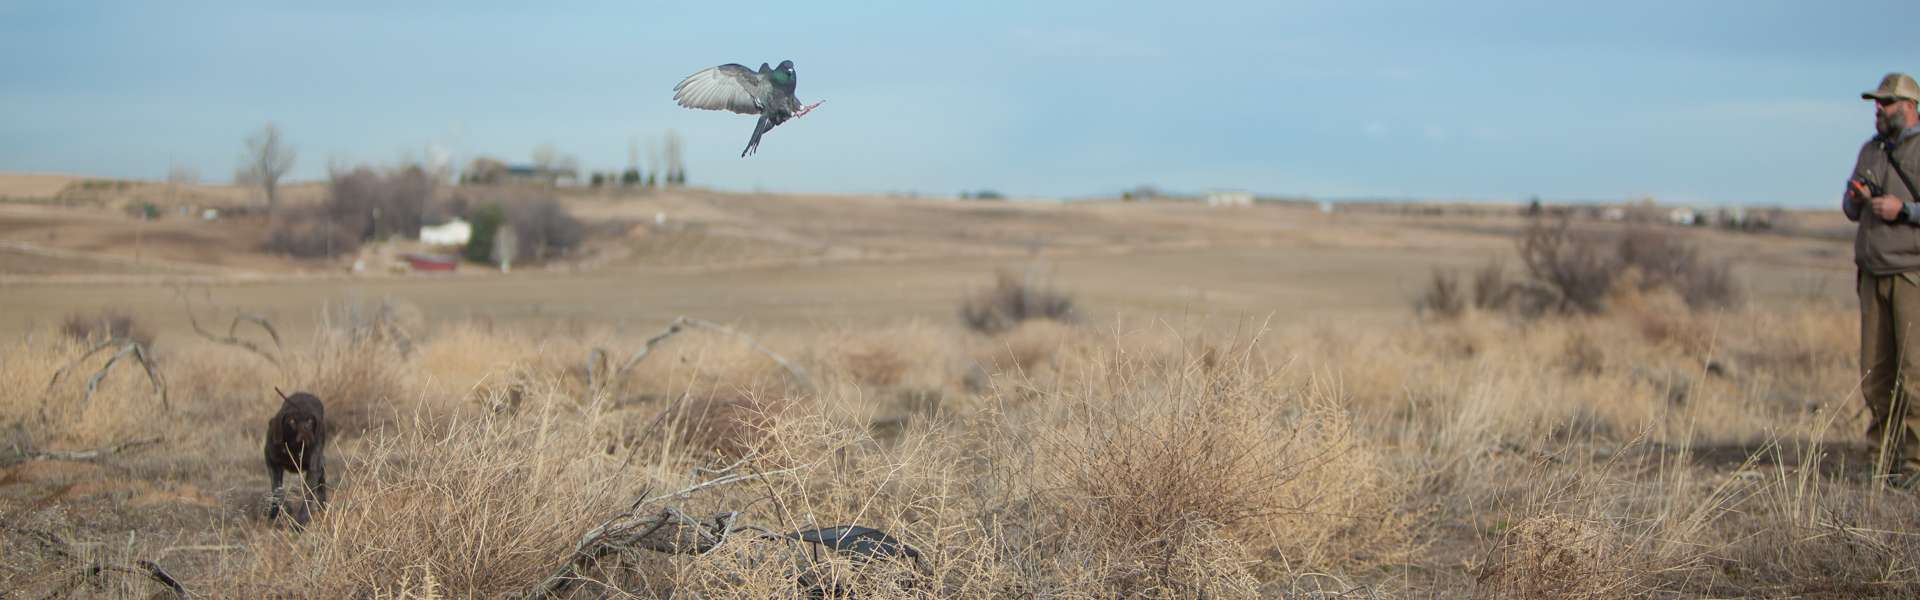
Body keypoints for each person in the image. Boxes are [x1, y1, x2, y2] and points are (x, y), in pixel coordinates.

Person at [1845, 72, 1920, 483]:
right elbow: (1850, 208)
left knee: (1914, 375)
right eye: (1876, 102)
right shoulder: (1869, 151)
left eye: (1886, 102)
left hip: (1911, 275)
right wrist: (1856, 198)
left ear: (1908, 107)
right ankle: (1880, 459)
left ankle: (1913, 466)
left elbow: (1907, 209)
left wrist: (1904, 211)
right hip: (1871, 274)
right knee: (1875, 374)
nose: (1877, 108)